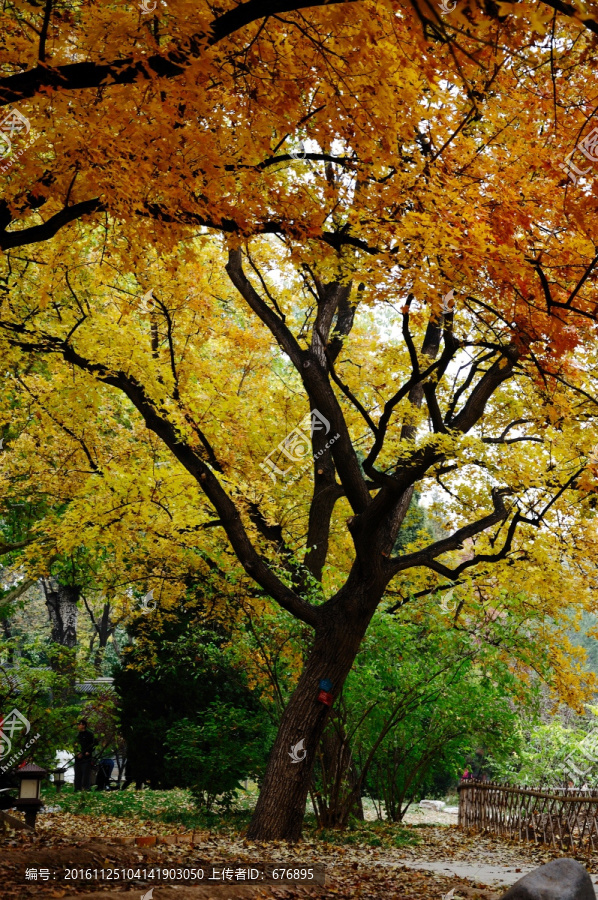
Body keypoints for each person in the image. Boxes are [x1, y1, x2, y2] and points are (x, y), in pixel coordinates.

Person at [74, 719, 95, 791]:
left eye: (80, 724)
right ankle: (77, 788)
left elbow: (93, 745)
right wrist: (77, 753)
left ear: (84, 725)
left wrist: (88, 751)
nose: (78, 726)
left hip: (86, 758)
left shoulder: (89, 735)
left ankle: (86, 788)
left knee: (86, 774)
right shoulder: (77, 735)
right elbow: (74, 746)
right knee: (77, 774)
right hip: (78, 758)